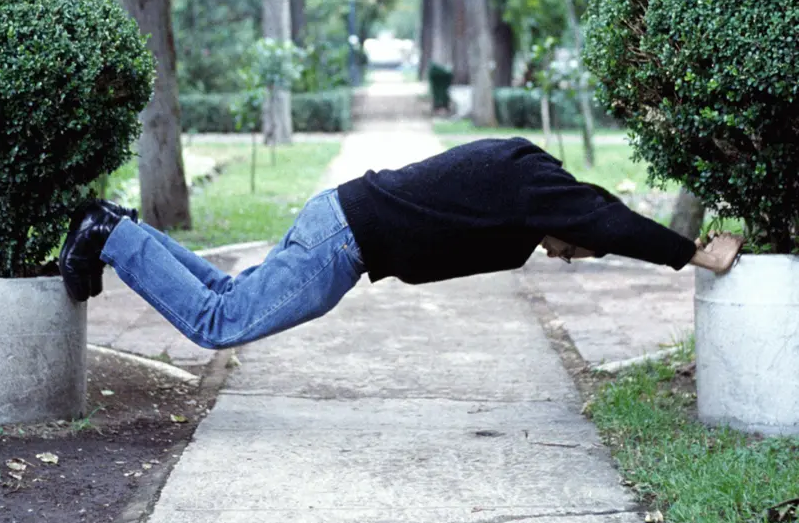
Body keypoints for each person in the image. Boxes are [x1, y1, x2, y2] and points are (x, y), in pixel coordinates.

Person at [59, 137, 743, 349]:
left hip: (339, 224)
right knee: (220, 322)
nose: (562, 255)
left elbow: (596, 220)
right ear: (573, 223)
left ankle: (121, 229)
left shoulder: (528, 183)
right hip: (342, 241)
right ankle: (111, 235)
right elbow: (613, 220)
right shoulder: (542, 192)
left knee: (229, 296)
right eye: (574, 249)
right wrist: (695, 254)